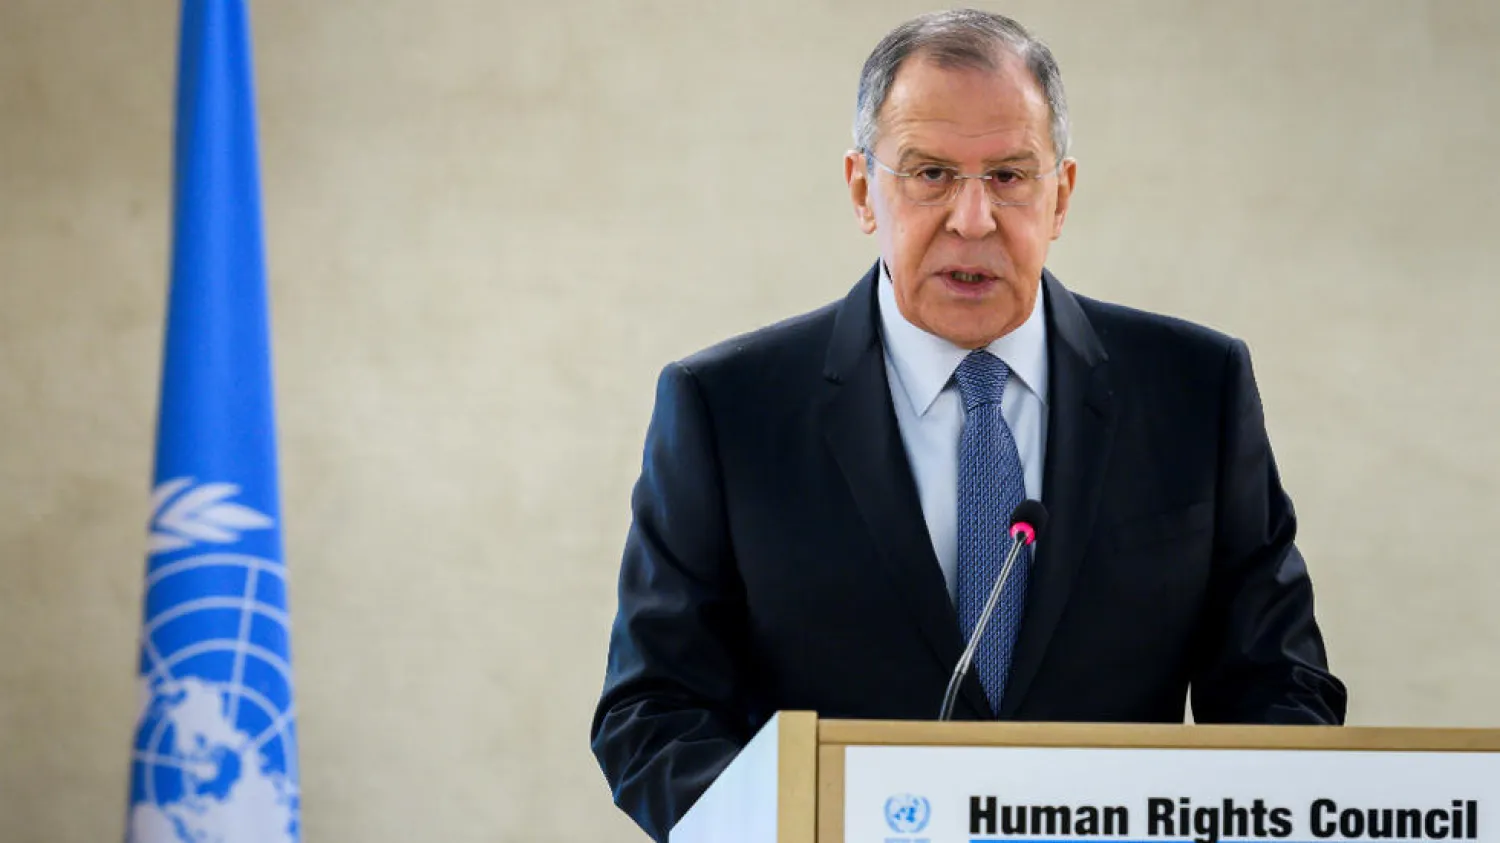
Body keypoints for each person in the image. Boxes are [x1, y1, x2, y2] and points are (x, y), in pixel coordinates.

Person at [590, 9, 1347, 842]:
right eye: (931, 174)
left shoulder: (1196, 389)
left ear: (1060, 195)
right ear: (861, 190)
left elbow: (1281, 690)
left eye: (1010, 176)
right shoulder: (726, 407)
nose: (974, 219)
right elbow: (653, 711)